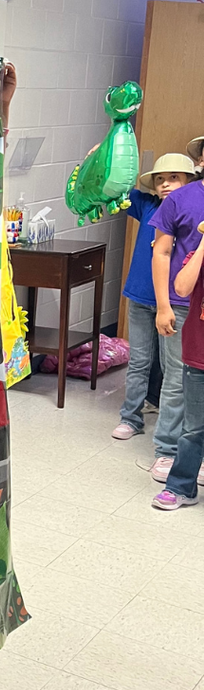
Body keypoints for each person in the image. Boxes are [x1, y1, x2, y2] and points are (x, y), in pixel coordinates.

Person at [112, 154, 196, 446]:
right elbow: (116, 189)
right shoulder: (147, 206)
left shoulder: (191, 211)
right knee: (139, 361)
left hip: (174, 302)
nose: (165, 185)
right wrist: (99, 158)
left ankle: (166, 422)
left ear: (189, 180)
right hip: (139, 296)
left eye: (173, 178)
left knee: (171, 367)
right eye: (160, 180)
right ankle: (131, 417)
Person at [149, 164, 204, 482]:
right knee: (176, 382)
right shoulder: (180, 199)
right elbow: (162, 251)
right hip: (182, 303)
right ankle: (166, 452)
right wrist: (162, 305)